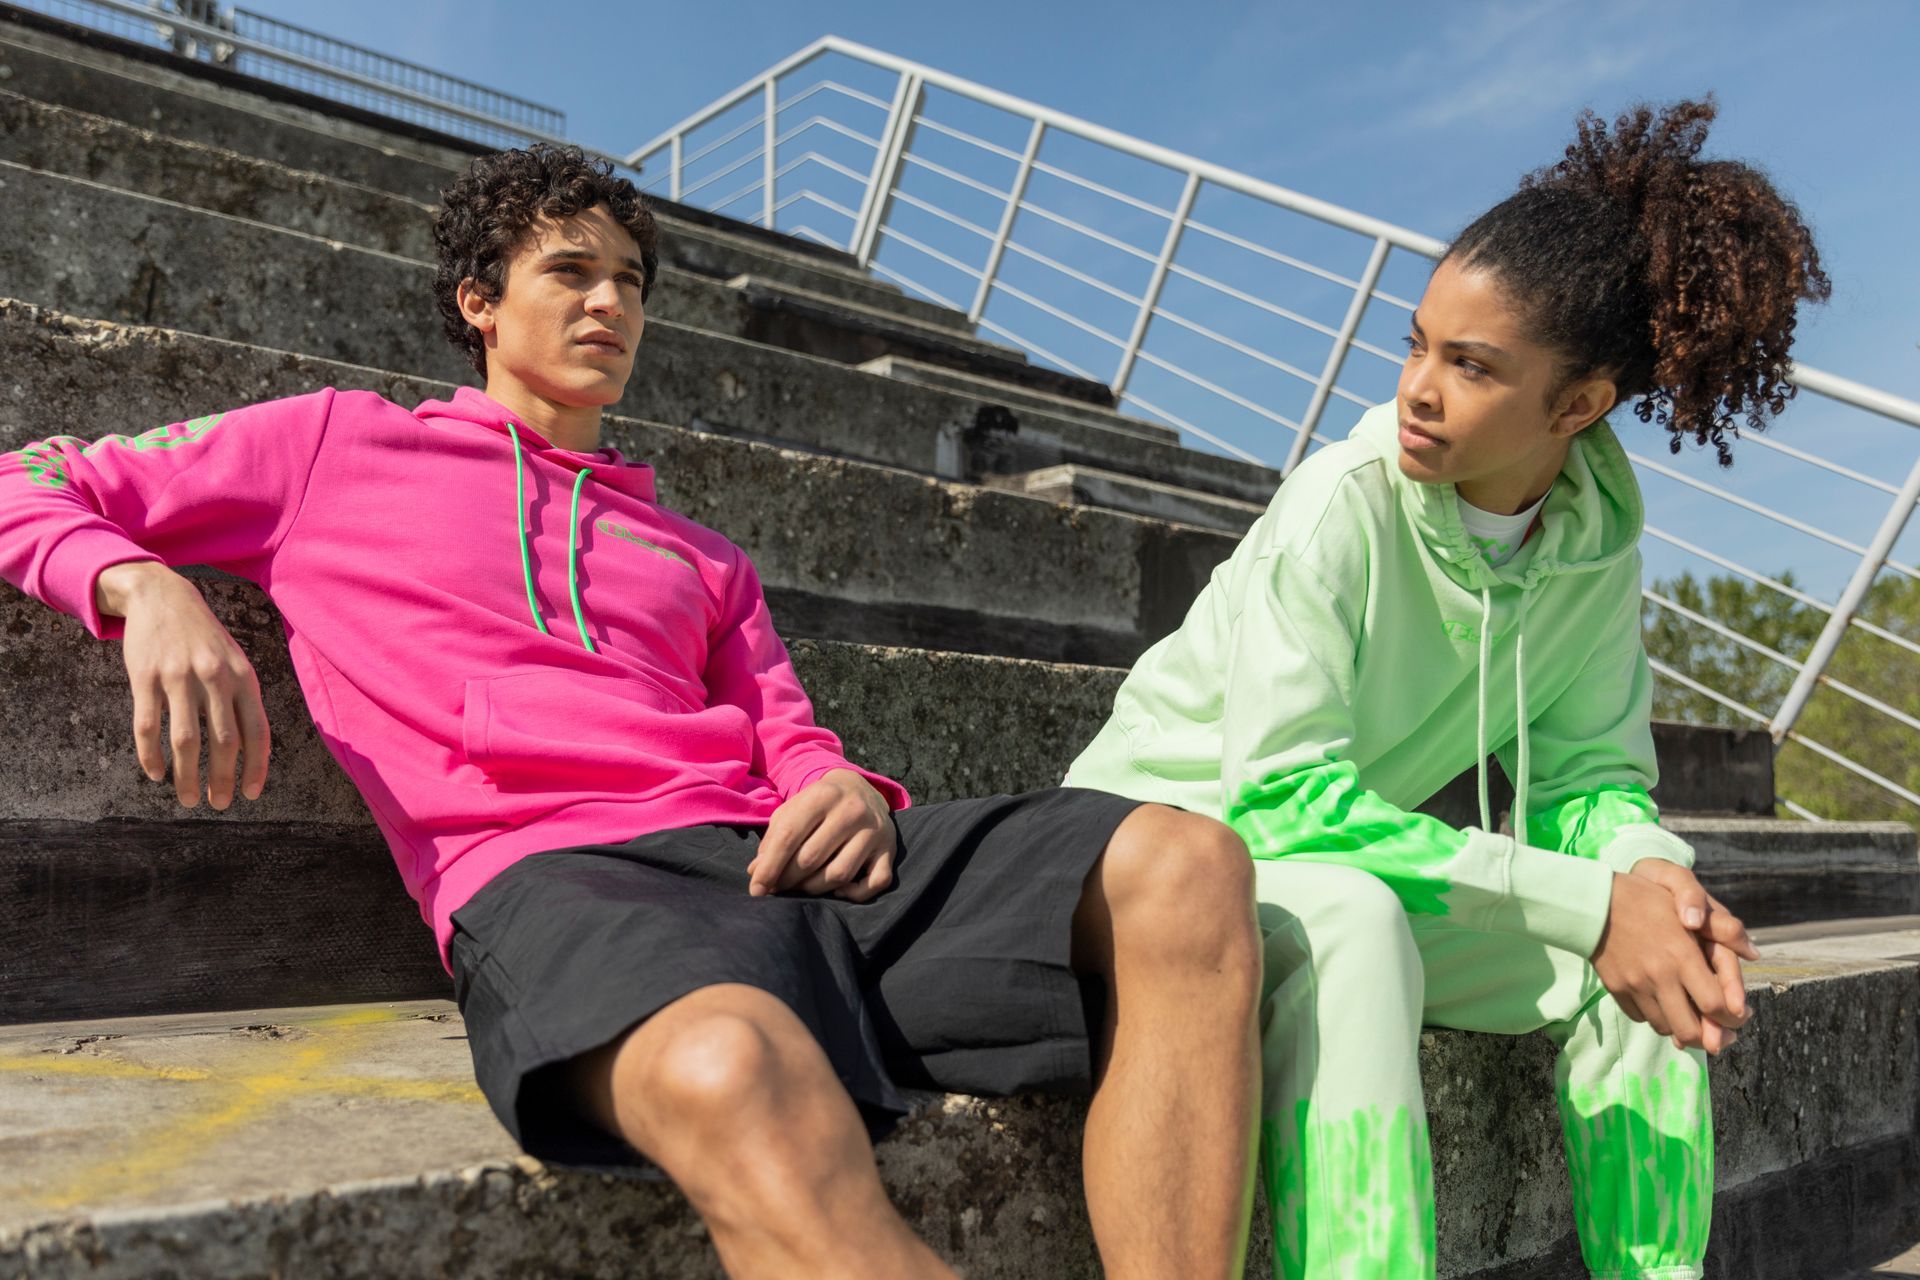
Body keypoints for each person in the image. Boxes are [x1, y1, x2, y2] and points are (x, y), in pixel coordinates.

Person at [0, 144, 1264, 1279]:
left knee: (1183, 864)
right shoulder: (334, 447)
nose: (610, 302)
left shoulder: (703, 557)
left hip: (778, 863)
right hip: (562, 878)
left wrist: (840, 782)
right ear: (479, 302)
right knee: (731, 1069)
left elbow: (790, 732)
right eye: (570, 271)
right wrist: (139, 583)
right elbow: (32, 475)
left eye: (631, 281)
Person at [1065, 99, 1825, 1280]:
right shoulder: (1341, 504)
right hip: (1155, 867)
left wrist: (1647, 875)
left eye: (1471, 366)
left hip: (1320, 873)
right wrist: (1587, 899)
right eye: (1418, 344)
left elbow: (1589, 777)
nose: (1419, 389)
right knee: (1362, 921)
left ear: (1577, 406)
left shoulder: (1593, 543)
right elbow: (1278, 804)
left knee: (1651, 958)